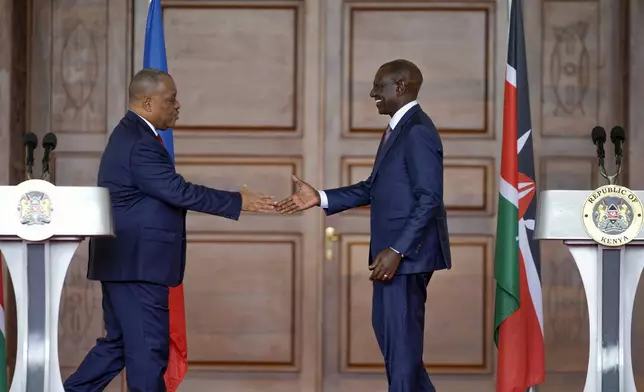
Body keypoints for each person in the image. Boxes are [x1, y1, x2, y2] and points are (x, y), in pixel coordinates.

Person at [63, 68, 275, 392]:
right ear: (148, 102)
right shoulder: (139, 141)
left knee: (117, 346)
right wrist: (237, 201)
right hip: (138, 267)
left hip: (126, 264)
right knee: (148, 355)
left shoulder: (133, 134)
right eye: (171, 99)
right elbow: (178, 191)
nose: (178, 106)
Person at [276, 59, 451, 392]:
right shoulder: (399, 129)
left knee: (400, 354)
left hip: (404, 259)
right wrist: (320, 197)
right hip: (393, 259)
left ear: (399, 87)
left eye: (378, 86)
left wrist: (397, 249)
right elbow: (373, 187)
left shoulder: (418, 131)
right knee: (398, 349)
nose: (373, 93)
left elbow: (429, 198)